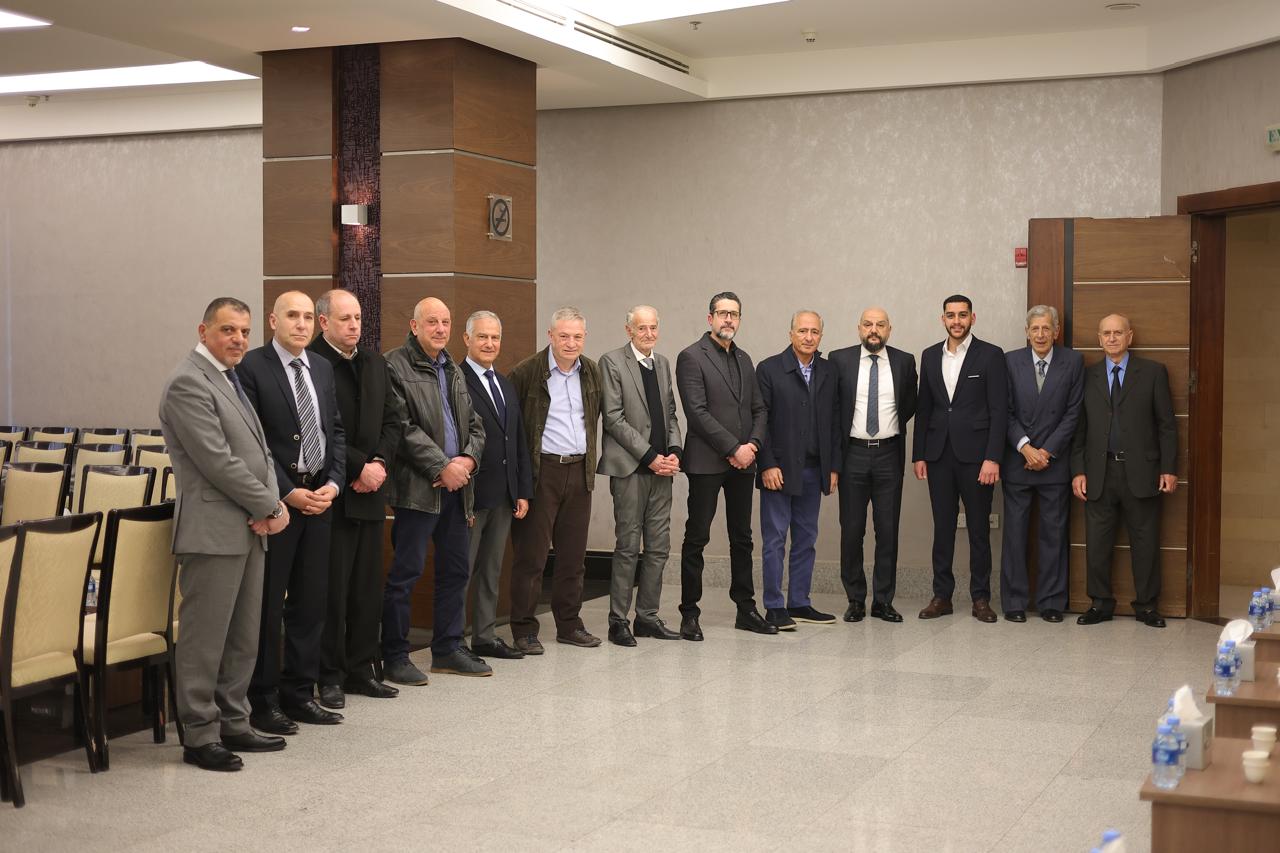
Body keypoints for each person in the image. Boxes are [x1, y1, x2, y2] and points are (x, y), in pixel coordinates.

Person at [160, 296, 290, 771]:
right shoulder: (188, 383)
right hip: (214, 531)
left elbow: (261, 453)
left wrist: (269, 504)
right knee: (205, 638)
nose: (238, 339)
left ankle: (234, 720)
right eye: (228, 330)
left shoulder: (229, 378)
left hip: (250, 527)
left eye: (244, 331)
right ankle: (199, 734)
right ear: (204, 331)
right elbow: (218, 461)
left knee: (242, 636)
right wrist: (270, 505)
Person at [237, 291, 346, 732]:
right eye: (292, 316)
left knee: (310, 603)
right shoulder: (252, 367)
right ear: (273, 320)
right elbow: (253, 443)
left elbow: (334, 430)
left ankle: (300, 693)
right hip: (277, 505)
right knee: (268, 606)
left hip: (320, 501)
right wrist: (286, 493)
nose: (301, 324)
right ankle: (262, 700)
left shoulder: (320, 367)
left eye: (307, 317)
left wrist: (334, 483)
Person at [382, 297, 489, 682]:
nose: (441, 329)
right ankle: (395, 656)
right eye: (432, 322)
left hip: (457, 491)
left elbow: (475, 425)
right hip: (418, 490)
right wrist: (443, 466)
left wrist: (467, 461)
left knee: (455, 572)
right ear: (414, 326)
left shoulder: (453, 368)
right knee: (406, 574)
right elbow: (401, 427)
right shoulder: (394, 365)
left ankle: (447, 649)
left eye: (445, 321)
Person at [309, 289, 402, 707]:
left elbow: (394, 420)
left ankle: (362, 669)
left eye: (358, 318)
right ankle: (329, 675)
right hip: (332, 492)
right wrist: (358, 467)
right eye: (345, 318)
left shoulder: (374, 363)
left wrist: (378, 463)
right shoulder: (313, 363)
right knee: (332, 592)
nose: (354, 326)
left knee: (367, 589)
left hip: (371, 491)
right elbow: (318, 429)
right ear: (324, 322)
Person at [676, 291, 777, 639]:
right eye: (722, 313)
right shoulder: (691, 356)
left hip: (743, 463)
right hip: (707, 462)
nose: (728, 319)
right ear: (710, 319)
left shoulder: (744, 359)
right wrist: (734, 448)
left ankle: (746, 609)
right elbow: (697, 412)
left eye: (734, 314)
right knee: (697, 538)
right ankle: (689, 613)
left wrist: (752, 446)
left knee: (742, 538)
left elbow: (759, 409)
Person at [1071, 313, 1178, 628]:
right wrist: (1078, 470)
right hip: (1099, 472)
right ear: (1099, 338)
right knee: (1097, 544)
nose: (1112, 338)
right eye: (1106, 333)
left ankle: (1147, 606)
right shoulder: (1087, 376)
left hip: (1142, 473)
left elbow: (1167, 426)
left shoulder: (1153, 373)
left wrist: (1169, 468)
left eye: (1118, 333)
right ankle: (1100, 604)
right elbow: (1079, 429)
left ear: (1130, 336)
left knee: (1145, 543)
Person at [507, 307, 603, 652]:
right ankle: (523, 629)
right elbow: (512, 430)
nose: (570, 343)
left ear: (584, 338)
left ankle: (569, 624)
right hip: (541, 472)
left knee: (573, 558)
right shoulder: (526, 372)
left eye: (577, 336)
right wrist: (518, 483)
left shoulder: (591, 371)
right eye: (563, 336)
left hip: (579, 471)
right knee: (531, 557)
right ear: (550, 336)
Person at [912, 294, 1008, 623]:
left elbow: (999, 410)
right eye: (951, 315)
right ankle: (942, 596)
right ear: (943, 319)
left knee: (979, 529)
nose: (957, 321)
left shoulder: (991, 355)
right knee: (943, 528)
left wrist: (993, 457)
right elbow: (924, 408)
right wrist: (919, 454)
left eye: (962, 315)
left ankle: (981, 598)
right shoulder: (929, 355)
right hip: (938, 455)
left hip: (977, 458)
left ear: (972, 318)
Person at [597, 305, 683, 646]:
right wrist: (650, 457)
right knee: (628, 546)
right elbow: (613, 418)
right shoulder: (612, 362)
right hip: (632, 468)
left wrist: (674, 452)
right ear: (629, 330)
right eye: (641, 328)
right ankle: (618, 621)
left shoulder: (662, 363)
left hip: (663, 470)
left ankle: (647, 616)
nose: (648, 334)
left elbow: (671, 414)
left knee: (659, 547)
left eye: (653, 327)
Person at [829, 307, 917, 623]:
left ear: (889, 329)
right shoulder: (839, 360)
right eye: (868, 324)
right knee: (852, 530)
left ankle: (883, 601)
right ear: (859, 328)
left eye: (880, 324)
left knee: (888, 530)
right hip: (852, 454)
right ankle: (855, 599)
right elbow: (832, 410)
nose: (874, 330)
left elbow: (909, 404)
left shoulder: (905, 362)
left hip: (889, 454)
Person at [755, 310, 840, 631]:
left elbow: (835, 421)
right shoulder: (769, 369)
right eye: (802, 331)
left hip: (814, 469)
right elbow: (760, 420)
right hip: (778, 469)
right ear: (791, 333)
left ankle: (799, 602)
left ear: (821, 336)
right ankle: (774, 606)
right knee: (775, 539)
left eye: (814, 332)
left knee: (806, 538)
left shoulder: (828, 371)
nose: (808, 337)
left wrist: (833, 467)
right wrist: (767, 463)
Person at [1000, 305, 1083, 623]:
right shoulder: (1010, 361)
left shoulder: (1073, 362)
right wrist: (1025, 448)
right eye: (1034, 328)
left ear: (1056, 331)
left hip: (1054, 463)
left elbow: (1073, 413)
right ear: (1026, 331)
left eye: (1046, 328)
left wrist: (1046, 451)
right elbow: (1004, 410)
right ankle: (1014, 602)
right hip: (1018, 461)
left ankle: (1051, 602)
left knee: (1053, 535)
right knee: (1015, 535)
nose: (1040, 334)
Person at [460, 310, 532, 660]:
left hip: (504, 495)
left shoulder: (504, 384)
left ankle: (485, 636)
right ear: (467, 339)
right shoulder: (456, 380)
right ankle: (452, 640)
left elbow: (516, 440)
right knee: (461, 570)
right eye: (482, 337)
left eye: (495, 338)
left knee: (491, 570)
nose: (489, 344)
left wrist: (522, 490)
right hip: (471, 494)